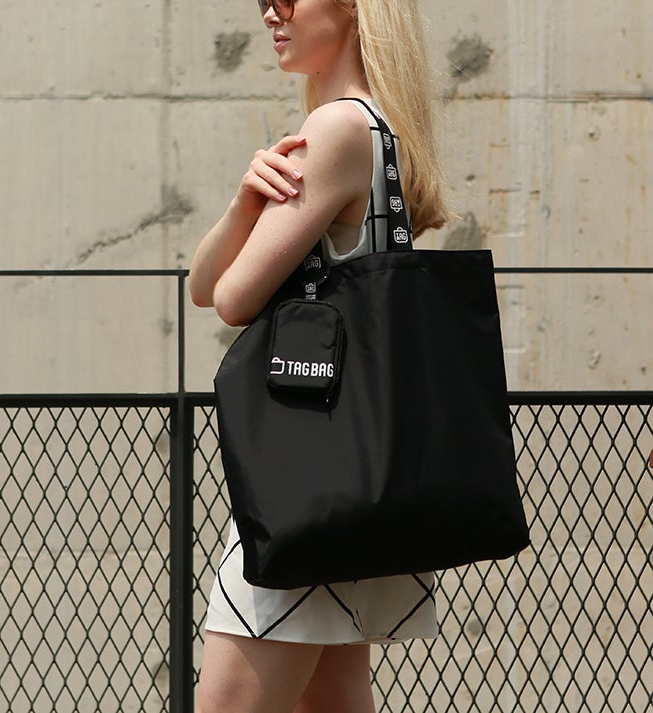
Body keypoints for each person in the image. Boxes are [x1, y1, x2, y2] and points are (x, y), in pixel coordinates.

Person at [188, 1, 451, 711]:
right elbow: (202, 287)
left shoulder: (336, 129)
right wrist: (246, 202)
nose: (269, 13)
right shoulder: (378, 129)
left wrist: (251, 215)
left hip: (306, 493)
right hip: (360, 478)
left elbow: (231, 296)